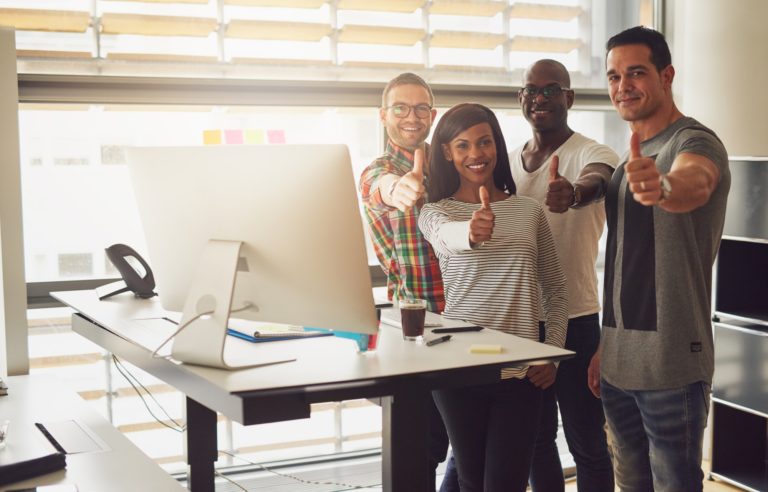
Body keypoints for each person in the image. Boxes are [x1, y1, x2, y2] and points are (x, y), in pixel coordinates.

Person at [588, 26, 730, 491]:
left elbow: (697, 181)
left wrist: (663, 187)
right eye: (613, 76)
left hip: (672, 366)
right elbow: (626, 264)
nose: (622, 86)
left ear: (666, 75)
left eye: (636, 73)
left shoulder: (692, 141)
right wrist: (607, 345)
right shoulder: (631, 157)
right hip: (618, 363)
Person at [419, 102, 568, 491]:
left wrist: (550, 353)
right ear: (448, 153)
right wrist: (470, 232)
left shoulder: (528, 211)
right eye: (463, 145)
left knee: (507, 484)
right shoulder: (435, 212)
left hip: (520, 371)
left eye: (484, 142)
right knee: (470, 479)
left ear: (496, 147)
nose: (475, 154)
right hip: (457, 368)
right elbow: (447, 238)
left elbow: (554, 289)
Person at [509, 59, 617, 491]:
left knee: (588, 442)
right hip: (520, 323)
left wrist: (573, 193)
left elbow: (601, 179)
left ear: (569, 98)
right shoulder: (507, 165)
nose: (540, 98)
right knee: (536, 441)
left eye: (551, 89)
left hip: (576, 320)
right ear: (521, 99)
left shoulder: (591, 151)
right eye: (531, 90)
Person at [358, 72, 454, 491]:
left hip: (471, 320)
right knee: (422, 449)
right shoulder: (379, 170)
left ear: (432, 115)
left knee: (466, 444)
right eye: (401, 107)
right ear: (384, 115)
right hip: (417, 329)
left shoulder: (452, 160)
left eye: (420, 108)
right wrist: (397, 189)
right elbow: (377, 187)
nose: (411, 117)